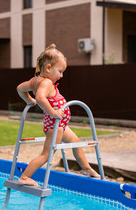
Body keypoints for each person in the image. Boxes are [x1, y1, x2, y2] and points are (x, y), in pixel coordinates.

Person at [16, 44, 99, 186]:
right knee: (46, 154)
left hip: (59, 124)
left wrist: (29, 100)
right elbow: (41, 98)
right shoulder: (46, 83)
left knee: (76, 142)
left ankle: (86, 168)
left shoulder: (34, 80)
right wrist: (53, 112)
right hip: (55, 124)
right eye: (60, 71)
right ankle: (24, 177)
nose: (61, 76)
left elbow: (19, 88)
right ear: (48, 68)